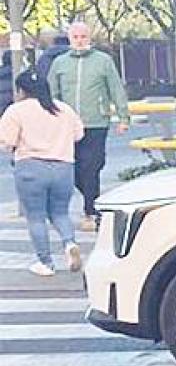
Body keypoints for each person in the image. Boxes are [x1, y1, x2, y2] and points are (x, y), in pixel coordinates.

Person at [0, 68, 85, 276]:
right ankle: (69, 243)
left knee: (36, 217)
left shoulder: (16, 111)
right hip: (63, 167)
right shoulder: (63, 109)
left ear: (22, 90)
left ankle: (45, 263)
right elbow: (79, 134)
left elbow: (7, 142)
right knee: (60, 213)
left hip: (31, 168)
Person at [47, 21, 129, 230]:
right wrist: (51, 117)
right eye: (76, 37)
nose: (80, 40)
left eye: (83, 36)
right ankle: (97, 202)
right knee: (73, 170)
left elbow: (116, 89)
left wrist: (123, 117)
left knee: (92, 167)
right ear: (70, 39)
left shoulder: (103, 61)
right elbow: (52, 93)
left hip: (96, 122)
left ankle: (90, 213)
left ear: (89, 38)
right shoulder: (60, 63)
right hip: (67, 125)